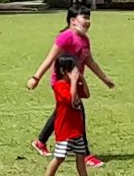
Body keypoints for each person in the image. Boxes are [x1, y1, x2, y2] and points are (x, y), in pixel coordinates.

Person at [27, 9, 114, 159]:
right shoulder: (65, 37)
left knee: (62, 112)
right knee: (78, 111)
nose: (87, 21)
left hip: (75, 81)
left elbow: (89, 61)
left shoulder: (85, 39)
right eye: (84, 17)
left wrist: (104, 78)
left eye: (89, 18)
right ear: (73, 20)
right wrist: (36, 78)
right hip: (62, 82)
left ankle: (41, 141)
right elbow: (50, 59)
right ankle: (85, 154)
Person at [40, 56, 104, 176]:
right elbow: (70, 99)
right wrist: (74, 81)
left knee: (81, 155)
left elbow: (86, 94)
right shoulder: (59, 86)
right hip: (65, 129)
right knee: (59, 157)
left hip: (76, 129)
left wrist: (81, 79)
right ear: (64, 71)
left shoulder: (73, 84)